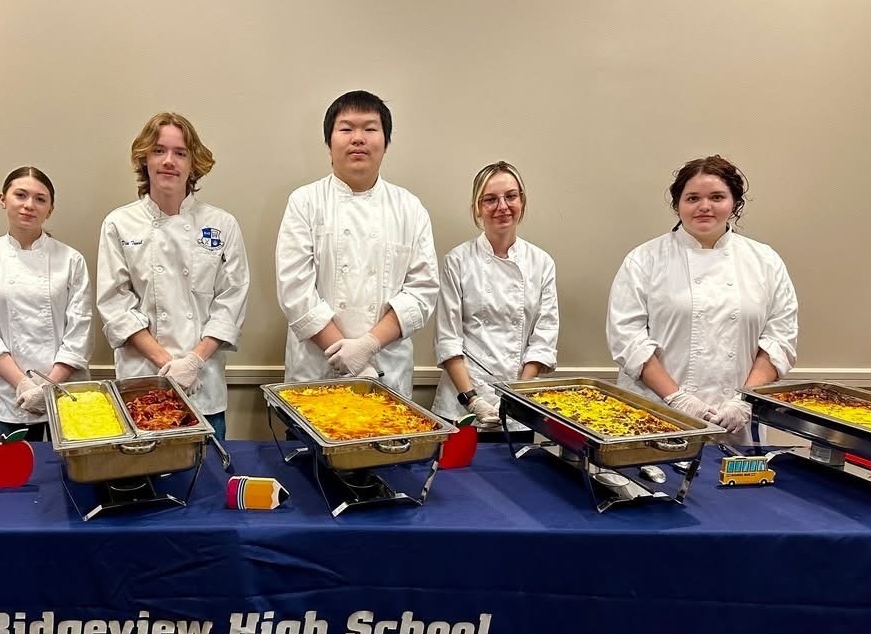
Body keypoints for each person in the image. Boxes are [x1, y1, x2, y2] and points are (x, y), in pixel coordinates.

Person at [606, 155, 798, 443]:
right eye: (692, 198)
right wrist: (679, 399)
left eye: (717, 197)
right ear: (677, 204)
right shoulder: (644, 260)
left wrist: (742, 401)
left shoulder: (765, 261)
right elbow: (628, 340)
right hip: (655, 414)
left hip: (735, 423)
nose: (704, 206)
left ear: (734, 202)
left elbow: (779, 341)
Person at [275, 90, 439, 399]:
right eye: (346, 128)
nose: (358, 138)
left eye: (370, 128)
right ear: (329, 143)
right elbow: (295, 290)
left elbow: (422, 292)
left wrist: (367, 346)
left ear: (386, 142)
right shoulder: (304, 202)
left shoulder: (410, 208)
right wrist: (346, 357)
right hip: (316, 373)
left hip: (385, 371)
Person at [96, 112, 250, 441]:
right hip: (143, 380)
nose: (169, 161)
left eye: (180, 153)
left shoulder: (222, 225)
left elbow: (231, 301)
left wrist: (193, 362)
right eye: (159, 151)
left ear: (194, 163)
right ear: (144, 159)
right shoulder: (118, 224)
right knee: (145, 484)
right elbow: (116, 305)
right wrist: (167, 363)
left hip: (203, 383)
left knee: (207, 479)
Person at [0, 166, 93, 441]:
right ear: (3, 199)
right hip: (13, 395)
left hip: (67, 390)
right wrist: (23, 384)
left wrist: (48, 387)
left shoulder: (71, 260)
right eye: (20, 195)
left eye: (40, 199)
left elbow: (79, 331)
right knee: (20, 477)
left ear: (50, 209)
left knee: (72, 476)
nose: (29, 205)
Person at [432, 161, 559, 434]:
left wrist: (517, 397)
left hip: (517, 407)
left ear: (522, 201)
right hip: (460, 405)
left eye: (510, 196)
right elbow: (448, 339)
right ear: (478, 207)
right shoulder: (458, 260)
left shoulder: (542, 263)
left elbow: (543, 338)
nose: (502, 206)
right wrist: (472, 400)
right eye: (490, 199)